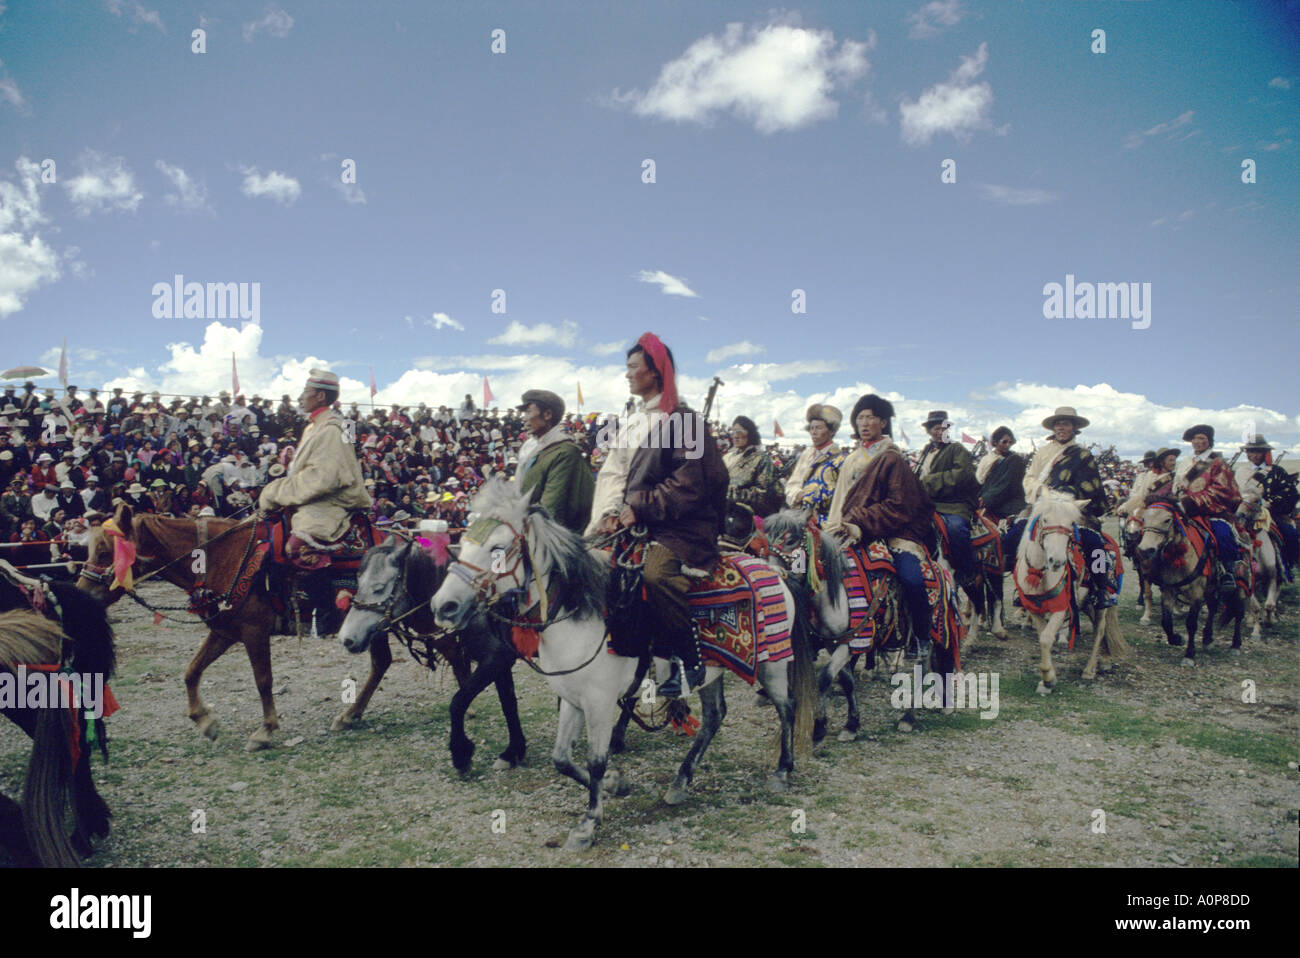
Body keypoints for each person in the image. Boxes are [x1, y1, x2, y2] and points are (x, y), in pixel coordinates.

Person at [587, 333, 727, 697]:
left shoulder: (684, 420)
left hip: (682, 526)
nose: (627, 374)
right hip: (637, 521)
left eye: (633, 367)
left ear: (655, 371)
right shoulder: (633, 420)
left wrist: (640, 507)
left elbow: (689, 482)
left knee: (655, 574)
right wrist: (609, 513)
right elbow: (615, 474)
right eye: (628, 368)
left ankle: (688, 660)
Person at [826, 394, 935, 643]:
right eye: (860, 418)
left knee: (912, 579)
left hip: (893, 533)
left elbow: (900, 505)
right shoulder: (851, 460)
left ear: (883, 423)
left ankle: (922, 638)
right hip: (850, 530)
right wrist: (834, 528)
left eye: (870, 418)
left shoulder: (892, 458)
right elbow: (840, 502)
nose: (864, 424)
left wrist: (860, 521)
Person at [1016, 406, 1111, 602]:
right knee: (1012, 537)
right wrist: (1041, 490)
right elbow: (1030, 479)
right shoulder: (1042, 452)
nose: (1061, 427)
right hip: (1043, 504)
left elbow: (1090, 486)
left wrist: (1067, 497)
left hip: (1072, 507)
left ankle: (1100, 587)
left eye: (1066, 423)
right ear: (1053, 428)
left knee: (1095, 543)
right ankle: (1022, 586)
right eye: (1058, 424)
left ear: (1074, 427)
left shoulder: (1084, 455)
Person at [513, 389, 594, 533]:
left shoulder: (565, 452)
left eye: (528, 412)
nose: (524, 418)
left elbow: (551, 509)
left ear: (547, 414)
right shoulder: (530, 446)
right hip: (526, 527)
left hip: (550, 537)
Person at [1173, 424, 1243, 591]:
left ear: (1209, 441)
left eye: (1202, 438)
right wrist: (1178, 492)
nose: (1198, 442)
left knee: (1222, 534)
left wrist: (1192, 501)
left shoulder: (1217, 462)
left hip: (1212, 511)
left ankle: (1228, 572)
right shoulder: (1185, 462)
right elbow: (1176, 483)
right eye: (1195, 439)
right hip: (1185, 510)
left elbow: (1222, 489)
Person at [916, 410, 979, 590]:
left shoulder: (956, 449)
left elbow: (962, 475)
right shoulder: (925, 452)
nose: (939, 432)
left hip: (953, 504)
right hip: (927, 504)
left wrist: (928, 483)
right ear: (928, 431)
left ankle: (966, 572)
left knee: (956, 529)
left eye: (942, 428)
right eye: (935, 428)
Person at [1241, 435, 1298, 568]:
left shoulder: (1276, 471)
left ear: (1265, 453)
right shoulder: (1240, 472)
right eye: (1250, 451)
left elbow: (1290, 493)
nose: (1253, 455)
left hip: (1273, 513)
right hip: (1244, 512)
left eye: (1258, 451)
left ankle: (1287, 564)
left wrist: (1270, 503)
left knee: (1291, 534)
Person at [783, 404, 843, 520]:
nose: (814, 432)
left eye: (819, 428)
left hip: (826, 518)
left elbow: (838, 492)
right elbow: (792, 483)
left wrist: (809, 497)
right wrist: (797, 495)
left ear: (831, 431)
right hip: (800, 512)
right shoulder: (807, 454)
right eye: (812, 428)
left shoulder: (840, 458)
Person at [723, 416, 776, 515]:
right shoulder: (727, 457)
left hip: (743, 516)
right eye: (733, 432)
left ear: (750, 433)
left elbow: (762, 495)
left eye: (739, 432)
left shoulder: (762, 459)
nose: (735, 436)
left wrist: (728, 492)